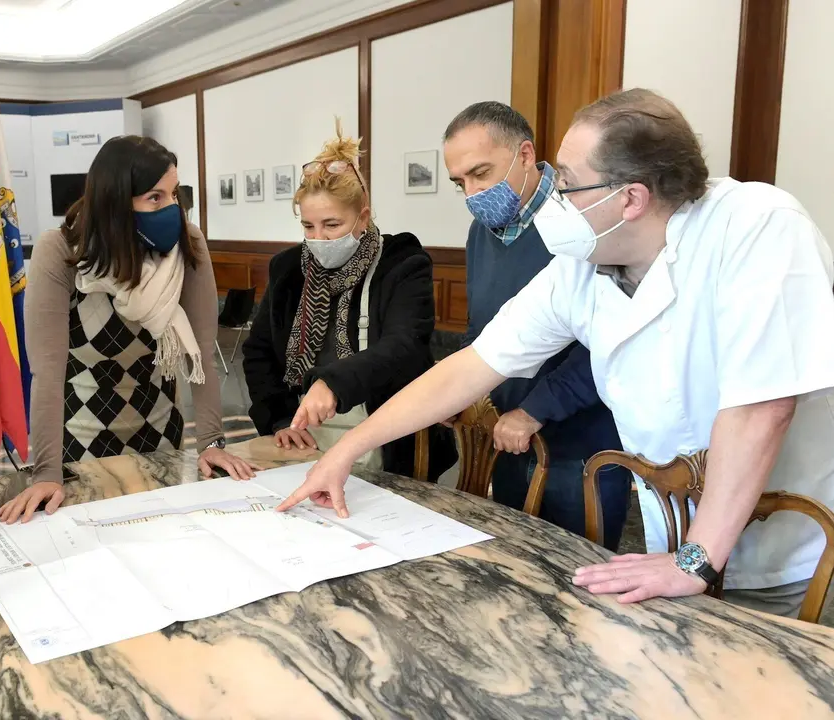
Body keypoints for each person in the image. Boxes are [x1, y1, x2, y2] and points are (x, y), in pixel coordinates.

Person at [277, 89, 834, 619]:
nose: (555, 198)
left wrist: (697, 557)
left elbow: (761, 408)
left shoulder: (758, 225)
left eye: (566, 183)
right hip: (673, 544)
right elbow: (471, 366)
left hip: (773, 548)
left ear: (631, 198)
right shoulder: (582, 266)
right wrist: (349, 448)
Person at [0, 136, 257, 524]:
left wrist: (211, 443)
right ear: (116, 200)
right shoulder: (62, 252)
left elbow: (200, 354)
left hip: (160, 431)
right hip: (81, 436)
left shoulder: (187, 245)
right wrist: (47, 472)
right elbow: (47, 373)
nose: (171, 208)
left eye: (174, 195)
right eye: (155, 197)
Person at [445, 101, 629, 550]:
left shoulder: (583, 217)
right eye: (460, 183)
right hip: (509, 438)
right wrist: (462, 390)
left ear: (525, 155)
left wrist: (535, 410)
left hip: (581, 443)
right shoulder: (481, 232)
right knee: (516, 558)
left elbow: (608, 340)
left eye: (481, 173)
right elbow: (484, 329)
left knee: (579, 568)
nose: (472, 193)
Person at [243, 122, 455, 478]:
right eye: (309, 227)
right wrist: (279, 418)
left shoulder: (402, 264)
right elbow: (259, 352)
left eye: (332, 224)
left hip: (389, 438)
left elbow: (404, 347)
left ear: (363, 217)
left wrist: (332, 383)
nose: (320, 238)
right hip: (305, 436)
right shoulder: (288, 270)